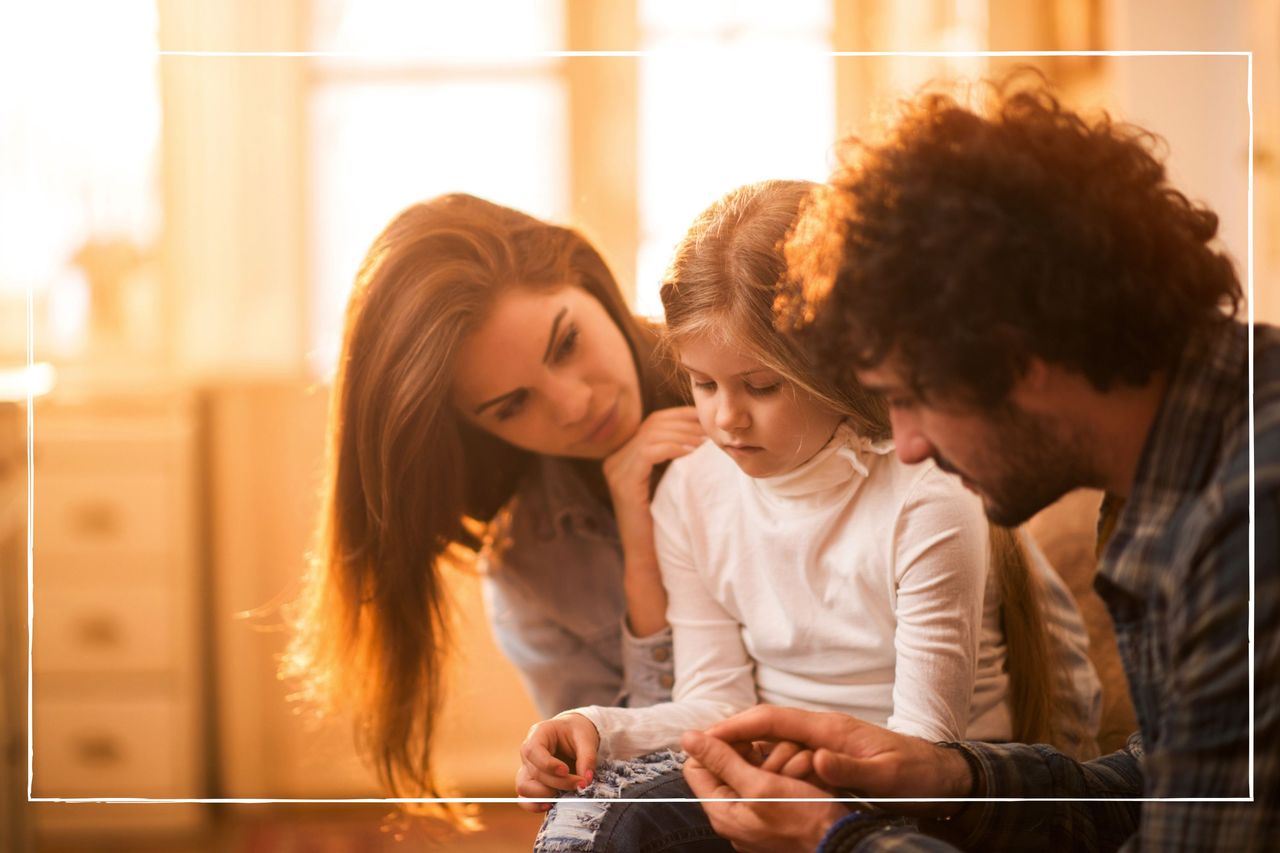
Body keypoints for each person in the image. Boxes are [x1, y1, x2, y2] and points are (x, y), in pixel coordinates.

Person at [680, 77, 1279, 851]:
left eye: (910, 396)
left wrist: (837, 837)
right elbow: (1164, 780)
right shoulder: (1172, 474)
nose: (912, 443)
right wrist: (950, 774)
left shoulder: (1246, 526)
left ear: (1018, 357)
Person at [517, 181, 1102, 851]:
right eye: (703, 384)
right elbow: (718, 706)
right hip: (778, 777)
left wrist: (797, 796)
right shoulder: (691, 489)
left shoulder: (927, 490)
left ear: (839, 367)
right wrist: (597, 725)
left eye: (761, 386)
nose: (726, 418)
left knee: (632, 823)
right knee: (598, 814)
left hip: (921, 799)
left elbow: (922, 754)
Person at [281, 194, 702, 819]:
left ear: (588, 280)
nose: (573, 404)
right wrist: (639, 545)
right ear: (478, 431)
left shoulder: (765, 381)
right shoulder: (530, 570)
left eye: (566, 343)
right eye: (512, 406)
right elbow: (632, 779)